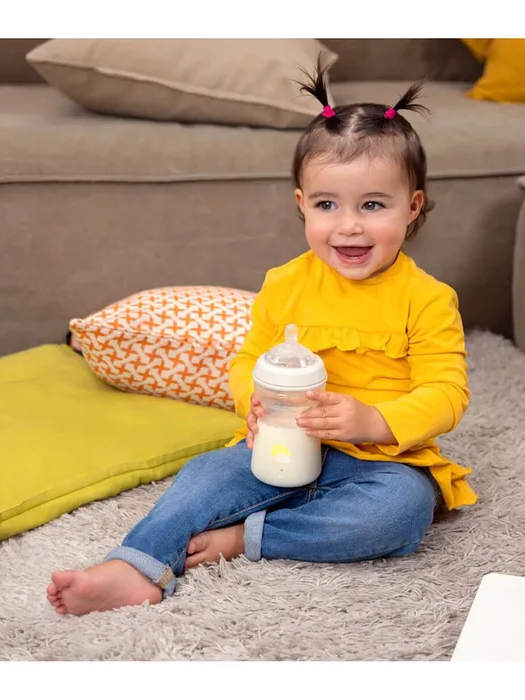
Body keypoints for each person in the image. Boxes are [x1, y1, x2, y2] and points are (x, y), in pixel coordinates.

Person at [46, 59, 477, 616]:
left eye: (373, 205)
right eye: (327, 205)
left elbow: (447, 393)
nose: (348, 225)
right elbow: (250, 357)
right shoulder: (286, 283)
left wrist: (372, 420)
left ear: (412, 207)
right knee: (205, 475)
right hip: (282, 442)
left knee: (401, 513)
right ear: (302, 205)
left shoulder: (427, 298)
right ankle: (135, 565)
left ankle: (250, 536)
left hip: (381, 462)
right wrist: (255, 402)